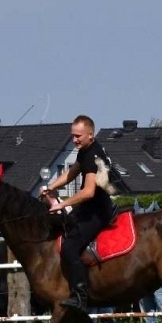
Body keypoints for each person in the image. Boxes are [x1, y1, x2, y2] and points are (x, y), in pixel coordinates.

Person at [42, 115, 118, 311]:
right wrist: (50, 186)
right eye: (73, 136)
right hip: (88, 208)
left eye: (78, 136)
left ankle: (81, 296)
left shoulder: (93, 155)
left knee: (69, 248)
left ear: (90, 135)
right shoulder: (84, 151)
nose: (74, 140)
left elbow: (88, 191)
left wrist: (62, 204)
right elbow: (72, 173)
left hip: (98, 212)